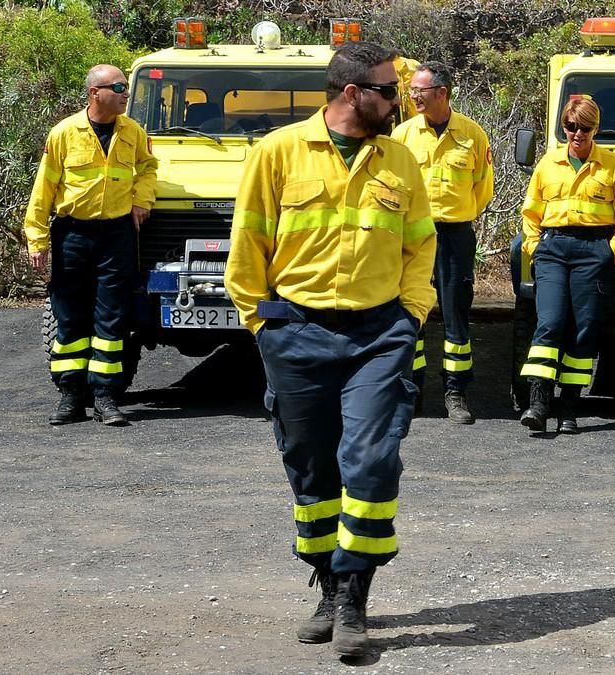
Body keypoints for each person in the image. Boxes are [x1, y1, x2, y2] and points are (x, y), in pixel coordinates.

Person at [223, 42, 436, 657]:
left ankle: (354, 597)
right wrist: (263, 327)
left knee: (370, 462)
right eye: (389, 91)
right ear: (352, 94)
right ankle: (326, 581)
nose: (400, 101)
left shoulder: (401, 161)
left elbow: (421, 247)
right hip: (297, 333)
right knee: (311, 466)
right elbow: (247, 247)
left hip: (378, 336)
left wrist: (411, 317)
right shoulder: (278, 152)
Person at [24, 64, 157, 427]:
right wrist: (37, 239)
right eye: (118, 87)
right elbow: (44, 190)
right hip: (73, 235)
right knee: (69, 316)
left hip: (116, 235)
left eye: (127, 87)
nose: (125, 93)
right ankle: (71, 396)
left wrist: (142, 199)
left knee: (111, 318)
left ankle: (105, 398)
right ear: (94, 92)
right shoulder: (65, 133)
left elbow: (148, 168)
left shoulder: (133, 132)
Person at [519, 97, 615, 434]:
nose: (577, 134)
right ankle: (539, 403)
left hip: (593, 250)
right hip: (554, 249)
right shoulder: (548, 164)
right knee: (550, 322)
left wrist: (612, 250)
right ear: (564, 127)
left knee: (584, 328)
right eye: (571, 127)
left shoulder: (614, 166)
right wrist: (535, 247)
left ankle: (570, 406)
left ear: (595, 128)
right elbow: (531, 213)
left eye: (584, 128)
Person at [391, 61, 494, 424]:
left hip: (454, 236)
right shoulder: (402, 135)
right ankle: (410, 390)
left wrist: (458, 214)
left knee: (456, 317)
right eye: (411, 90)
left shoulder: (472, 134)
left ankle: (456, 392)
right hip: (411, 236)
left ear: (442, 93)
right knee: (409, 313)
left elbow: (482, 189)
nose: (412, 96)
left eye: (419, 91)